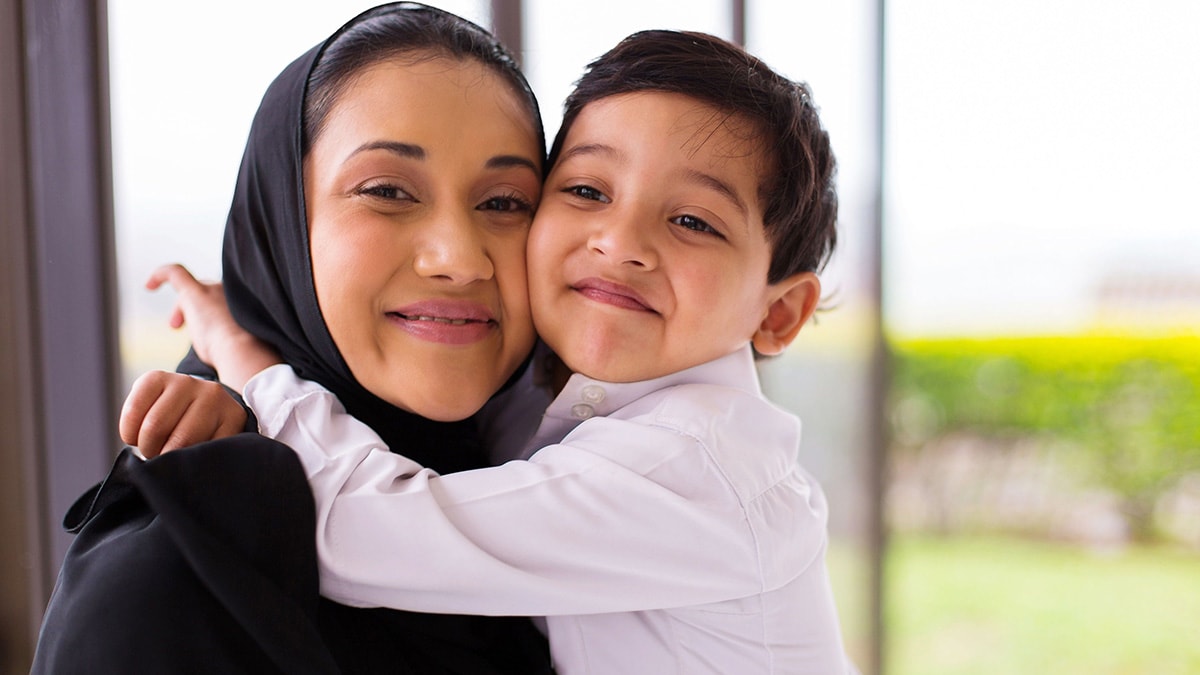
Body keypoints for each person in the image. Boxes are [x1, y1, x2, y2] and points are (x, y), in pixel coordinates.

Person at [127, 29, 854, 674]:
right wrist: (233, 409)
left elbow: (363, 532)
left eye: (693, 219)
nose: (620, 242)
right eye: (586, 189)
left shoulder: (693, 464)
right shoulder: (553, 400)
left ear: (779, 311)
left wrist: (246, 360)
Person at [32, 3, 555, 673]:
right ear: (280, 222)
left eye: (504, 202)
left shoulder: (564, 481)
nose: (459, 256)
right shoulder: (181, 564)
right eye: (388, 189)